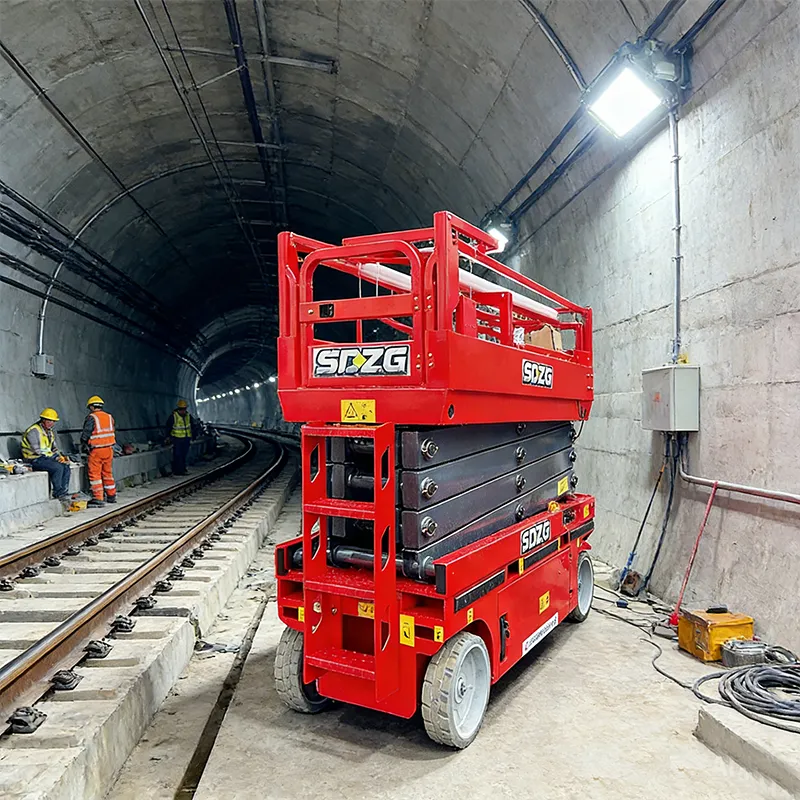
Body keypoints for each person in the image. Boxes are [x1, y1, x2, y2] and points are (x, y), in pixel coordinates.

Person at [21, 408, 72, 501]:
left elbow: (53, 448)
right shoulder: (33, 431)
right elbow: (37, 450)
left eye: (53, 421)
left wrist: (59, 456)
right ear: (43, 420)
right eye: (49, 420)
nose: (51, 423)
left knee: (65, 465)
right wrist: (53, 457)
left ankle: (64, 492)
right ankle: (58, 492)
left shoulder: (50, 432)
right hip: (33, 459)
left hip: (46, 457)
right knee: (57, 467)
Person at [80, 395, 116, 507]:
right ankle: (111, 495)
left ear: (91, 407)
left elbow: (86, 434)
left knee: (95, 474)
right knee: (107, 473)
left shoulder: (92, 418)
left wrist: (83, 444)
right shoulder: (109, 417)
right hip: (109, 449)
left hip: (97, 450)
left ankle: (98, 497)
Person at [165, 399, 196, 476]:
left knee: (184, 454)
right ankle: (178, 470)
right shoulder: (173, 416)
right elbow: (168, 427)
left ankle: (182, 469)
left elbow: (193, 426)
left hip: (186, 438)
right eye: (181, 409)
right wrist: (168, 437)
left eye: (184, 409)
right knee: (178, 455)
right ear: (178, 409)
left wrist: (194, 435)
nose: (183, 411)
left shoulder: (188, 416)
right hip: (177, 439)